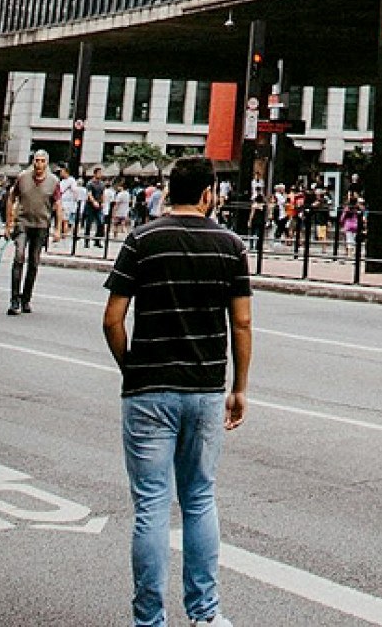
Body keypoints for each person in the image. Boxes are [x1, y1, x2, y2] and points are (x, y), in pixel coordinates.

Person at [103, 155, 253, 627]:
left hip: (148, 388)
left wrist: (133, 368)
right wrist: (240, 387)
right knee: (200, 499)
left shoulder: (142, 239)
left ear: (170, 191)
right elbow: (242, 322)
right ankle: (206, 614)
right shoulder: (231, 245)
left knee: (150, 505)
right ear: (210, 193)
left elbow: (112, 318)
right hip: (206, 387)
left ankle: (149, 620)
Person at [5, 150, 61, 316]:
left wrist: (58, 229)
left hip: (41, 224)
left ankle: (26, 299)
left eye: (43, 161)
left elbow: (58, 206)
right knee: (19, 257)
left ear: (47, 163)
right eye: (37, 160)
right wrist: (9, 223)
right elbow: (11, 197)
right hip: (23, 222)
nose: (39, 164)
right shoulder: (23, 177)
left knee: (34, 262)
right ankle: (14, 299)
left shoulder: (53, 181)